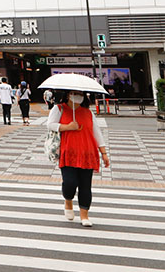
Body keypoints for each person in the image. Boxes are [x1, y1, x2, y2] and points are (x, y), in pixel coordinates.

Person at [47, 90, 109, 227]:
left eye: (81, 94)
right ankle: (68, 200)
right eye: (75, 93)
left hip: (88, 152)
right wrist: (67, 127)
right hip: (69, 152)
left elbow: (96, 132)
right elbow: (50, 124)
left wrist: (104, 153)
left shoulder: (88, 113)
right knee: (70, 183)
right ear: (68, 95)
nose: (79, 96)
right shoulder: (59, 109)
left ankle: (84, 215)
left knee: (85, 185)